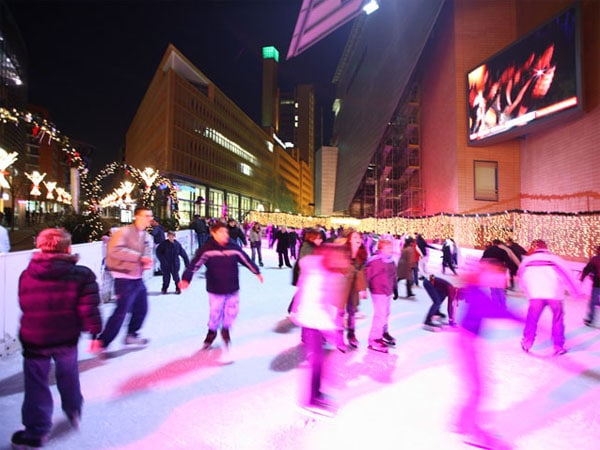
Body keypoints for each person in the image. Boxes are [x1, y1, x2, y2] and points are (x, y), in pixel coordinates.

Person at [12, 228, 102, 449]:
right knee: (68, 374)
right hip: (66, 337)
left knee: (36, 384)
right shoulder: (82, 274)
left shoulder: (28, 273)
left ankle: (35, 431)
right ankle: (73, 409)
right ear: (68, 248)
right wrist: (94, 333)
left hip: (35, 337)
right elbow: (89, 308)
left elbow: (25, 303)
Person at [289, 242, 353, 416]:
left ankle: (316, 394)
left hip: (317, 320)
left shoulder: (328, 272)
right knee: (317, 360)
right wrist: (332, 331)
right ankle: (310, 399)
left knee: (320, 360)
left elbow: (327, 302)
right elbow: (310, 297)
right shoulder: (318, 273)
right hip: (311, 320)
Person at [179, 221, 263, 349]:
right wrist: (186, 278)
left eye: (226, 232)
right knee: (215, 312)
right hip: (215, 288)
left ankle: (225, 329)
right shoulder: (207, 249)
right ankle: (212, 332)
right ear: (213, 233)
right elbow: (194, 264)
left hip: (232, 286)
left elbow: (245, 259)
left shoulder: (233, 247)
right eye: (221, 232)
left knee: (232, 311)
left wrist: (256, 271)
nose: (225, 235)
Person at [92, 206, 154, 355]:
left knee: (142, 309)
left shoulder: (145, 236)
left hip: (137, 278)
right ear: (137, 217)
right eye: (146, 216)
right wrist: (138, 258)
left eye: (150, 216)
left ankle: (131, 335)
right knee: (121, 311)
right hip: (123, 278)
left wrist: (146, 261)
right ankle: (102, 342)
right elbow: (115, 250)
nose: (150, 219)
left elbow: (147, 252)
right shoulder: (124, 232)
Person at [519, 239, 582, 356]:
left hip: (536, 296)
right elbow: (568, 276)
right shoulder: (555, 260)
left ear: (535, 248)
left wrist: (528, 292)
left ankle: (527, 343)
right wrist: (576, 292)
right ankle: (558, 347)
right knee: (557, 320)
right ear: (546, 248)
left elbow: (521, 278)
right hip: (554, 295)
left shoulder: (527, 261)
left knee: (532, 319)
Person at [365, 239, 396, 353]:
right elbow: (367, 275)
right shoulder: (375, 261)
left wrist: (395, 288)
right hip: (378, 291)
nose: (390, 250)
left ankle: (383, 332)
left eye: (391, 248)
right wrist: (363, 289)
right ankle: (374, 339)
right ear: (381, 249)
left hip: (388, 291)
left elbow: (393, 275)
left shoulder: (391, 261)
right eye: (388, 248)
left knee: (386, 313)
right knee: (380, 314)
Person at [342, 229, 368, 349]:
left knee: (352, 311)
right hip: (341, 286)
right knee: (339, 312)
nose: (358, 239)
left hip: (353, 288)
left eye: (359, 237)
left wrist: (362, 289)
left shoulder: (362, 254)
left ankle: (351, 334)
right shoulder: (342, 251)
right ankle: (336, 334)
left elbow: (362, 272)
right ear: (349, 240)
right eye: (355, 237)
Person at [156, 230, 190, 295]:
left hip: (175, 264)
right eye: (169, 236)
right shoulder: (164, 244)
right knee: (166, 277)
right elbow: (158, 252)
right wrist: (162, 260)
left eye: (172, 236)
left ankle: (178, 288)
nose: (171, 238)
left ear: (174, 237)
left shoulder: (177, 245)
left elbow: (184, 254)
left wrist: (187, 264)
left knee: (176, 277)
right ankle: (164, 288)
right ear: (167, 236)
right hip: (166, 264)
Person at [581, 245, 600, 327]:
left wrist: (582, 278)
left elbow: (587, 269)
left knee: (592, 302)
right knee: (594, 301)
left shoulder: (595, 259)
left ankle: (590, 319)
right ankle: (590, 319)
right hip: (596, 282)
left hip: (597, 283)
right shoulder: (595, 259)